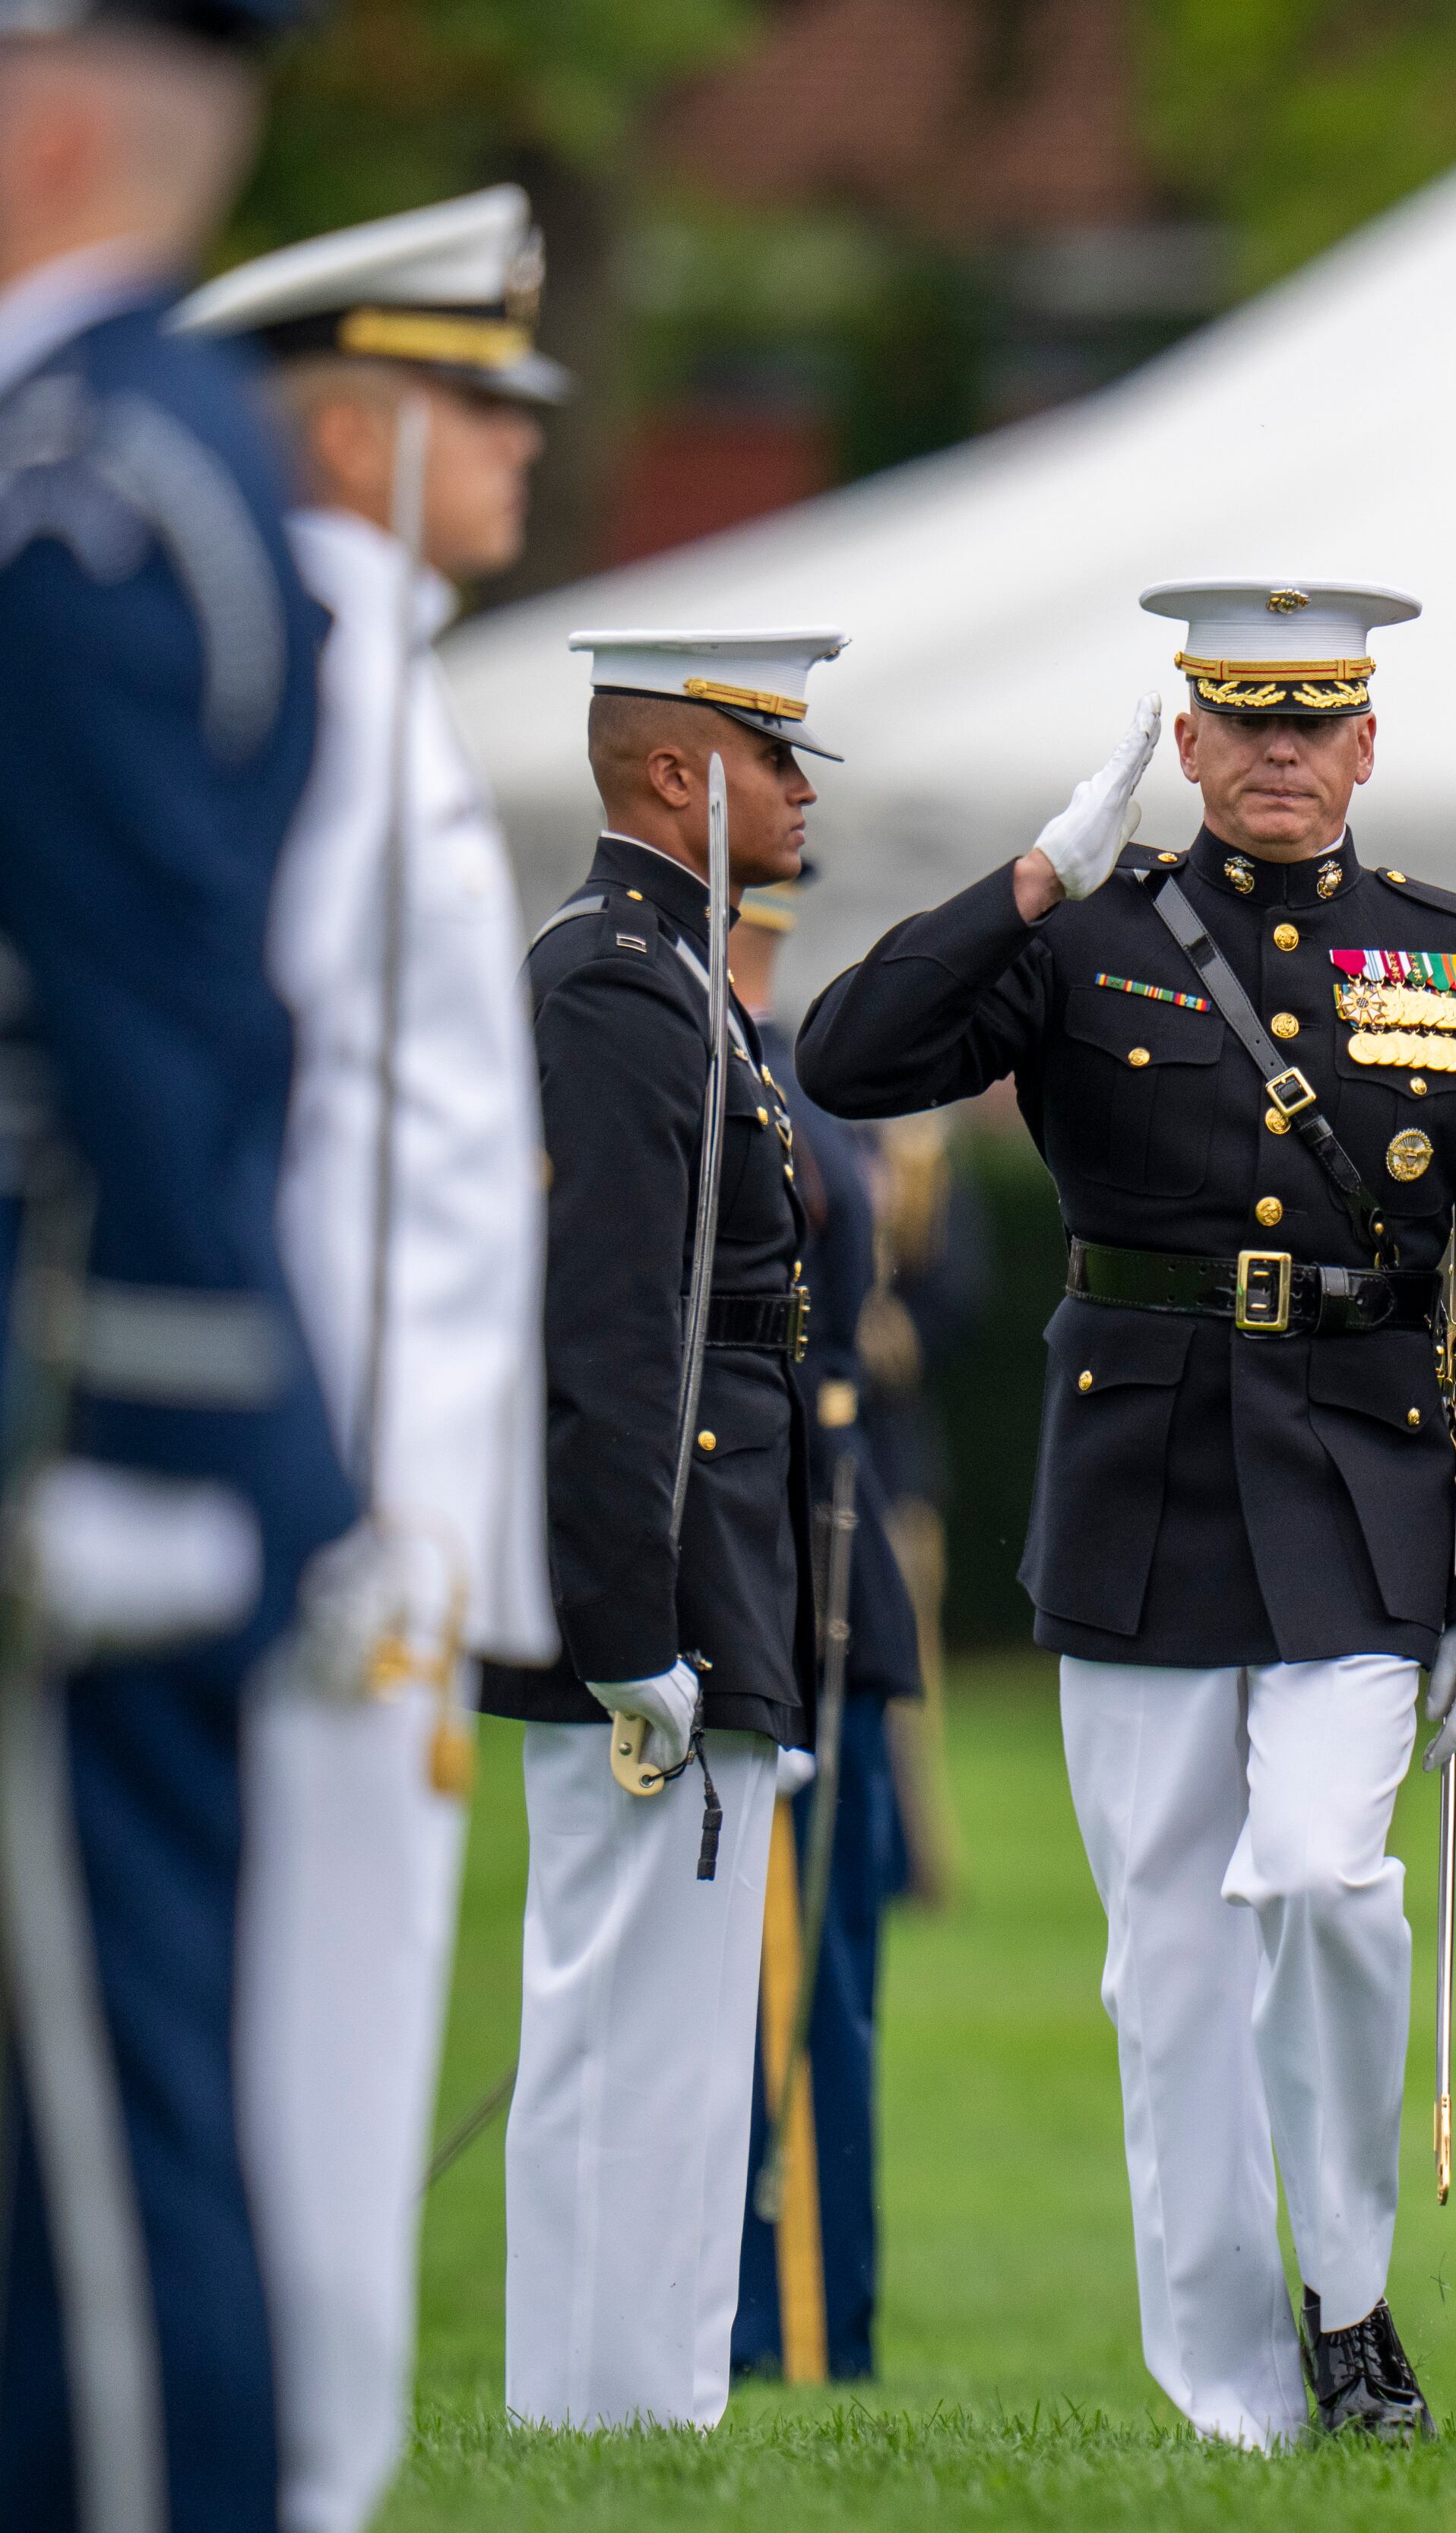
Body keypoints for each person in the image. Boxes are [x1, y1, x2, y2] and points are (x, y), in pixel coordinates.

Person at [797, 581, 1456, 2446]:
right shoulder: (1091, 942)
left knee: (1321, 1876)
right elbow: (846, 1057)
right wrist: (1028, 882)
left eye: (1318, 725)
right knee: (1170, 1961)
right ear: (1192, 741)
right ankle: (1236, 2392)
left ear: (1367, 745)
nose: (1285, 758)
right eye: (1247, 725)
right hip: (1140, 1483)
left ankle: (1351, 2293)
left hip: (1363, 1481)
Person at [0, 14, 363, 2533]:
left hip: (77, 1430)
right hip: (112, 1405)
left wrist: (157, 1429)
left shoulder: (83, 496)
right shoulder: (146, 463)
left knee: (102, 2203)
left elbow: (155, 1017)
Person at [171, 182, 559, 2533]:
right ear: (353, 429)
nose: (522, 440)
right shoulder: (311, 678)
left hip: (388, 1506)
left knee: (340, 2063)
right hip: (328, 1508)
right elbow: (245, 1086)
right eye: (472, 399)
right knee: (305, 2085)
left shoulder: (373, 674)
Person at [492, 629, 837, 2431]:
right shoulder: (618, 983)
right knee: (638, 2014)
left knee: (669, 2021)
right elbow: (612, 1326)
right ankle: (617, 2405)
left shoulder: (670, 975)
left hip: (709, 1543)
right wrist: (627, 1620)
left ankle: (622, 2397)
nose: (804, 793)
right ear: (676, 777)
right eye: (778, 758)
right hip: (665, 1566)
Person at [723, 869, 926, 2387]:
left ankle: (803, 2334)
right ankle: (776, 2331)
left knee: (817, 1984)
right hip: (749, 1565)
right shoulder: (689, 1053)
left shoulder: (782, 1075)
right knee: (767, 1985)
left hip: (811, 1561)